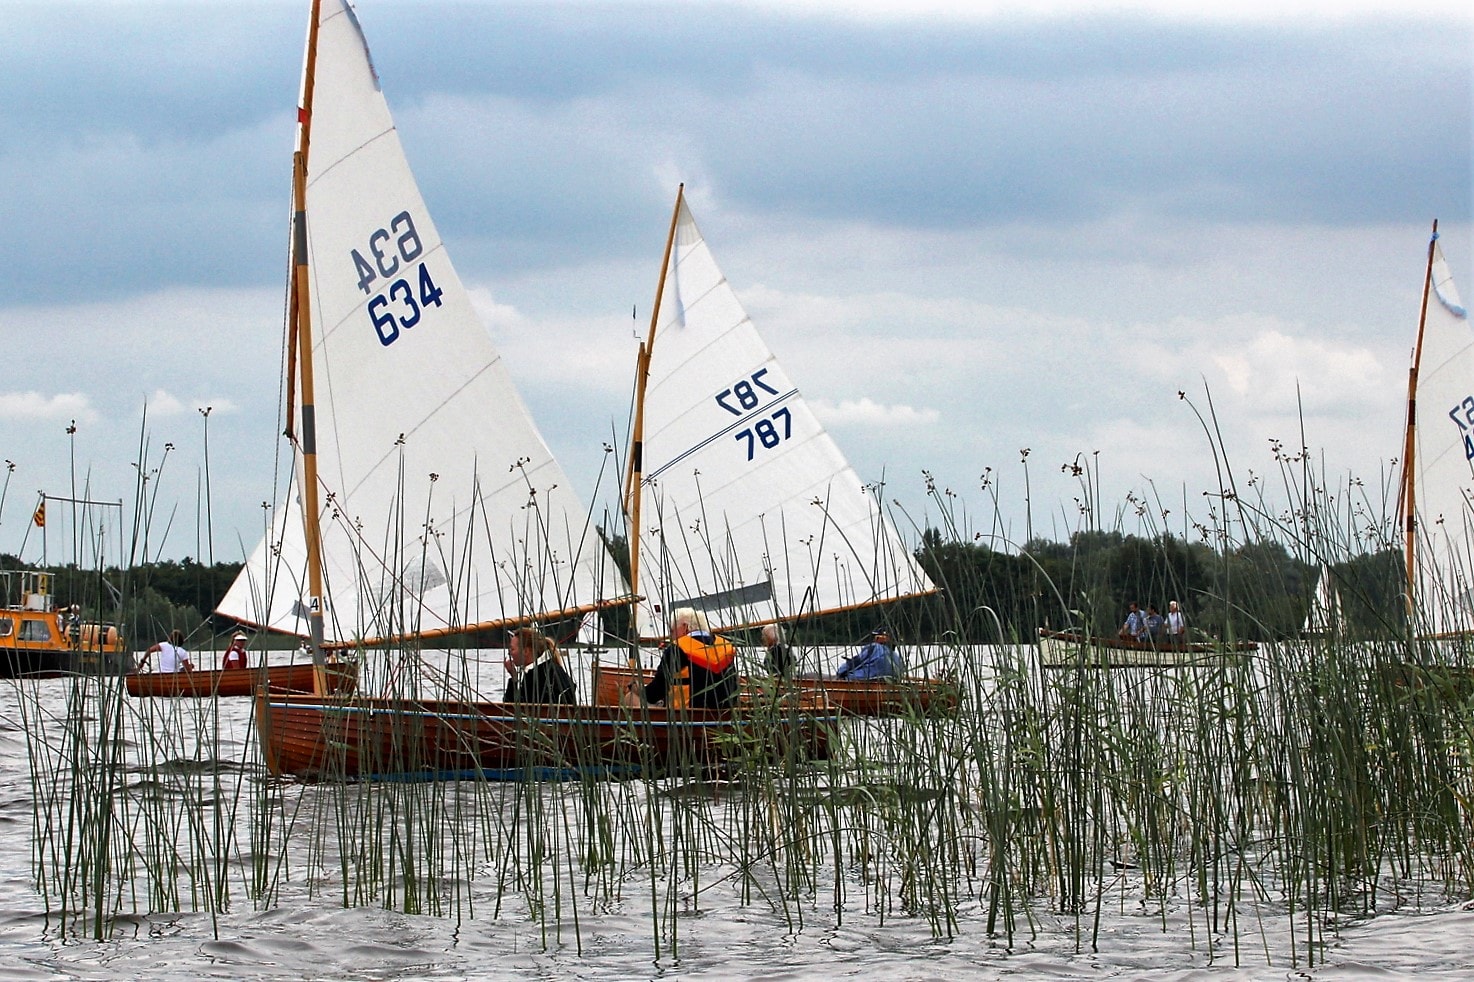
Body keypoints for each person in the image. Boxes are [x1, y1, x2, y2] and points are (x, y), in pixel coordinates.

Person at [626, 607, 738, 710]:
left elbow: (655, 693)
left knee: (630, 697)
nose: (671, 636)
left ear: (685, 627)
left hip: (687, 716)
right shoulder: (726, 646)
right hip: (725, 714)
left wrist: (637, 689)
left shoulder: (678, 648)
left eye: (672, 631)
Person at [502, 626, 577, 704]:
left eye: (512, 649)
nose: (509, 653)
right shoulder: (554, 667)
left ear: (526, 651)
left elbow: (512, 707)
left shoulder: (535, 676)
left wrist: (514, 679)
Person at [836, 627, 903, 680]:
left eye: (876, 637)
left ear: (882, 638)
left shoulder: (874, 647)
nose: (874, 639)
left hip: (867, 680)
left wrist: (841, 672)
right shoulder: (898, 657)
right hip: (888, 683)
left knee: (846, 675)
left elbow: (857, 661)